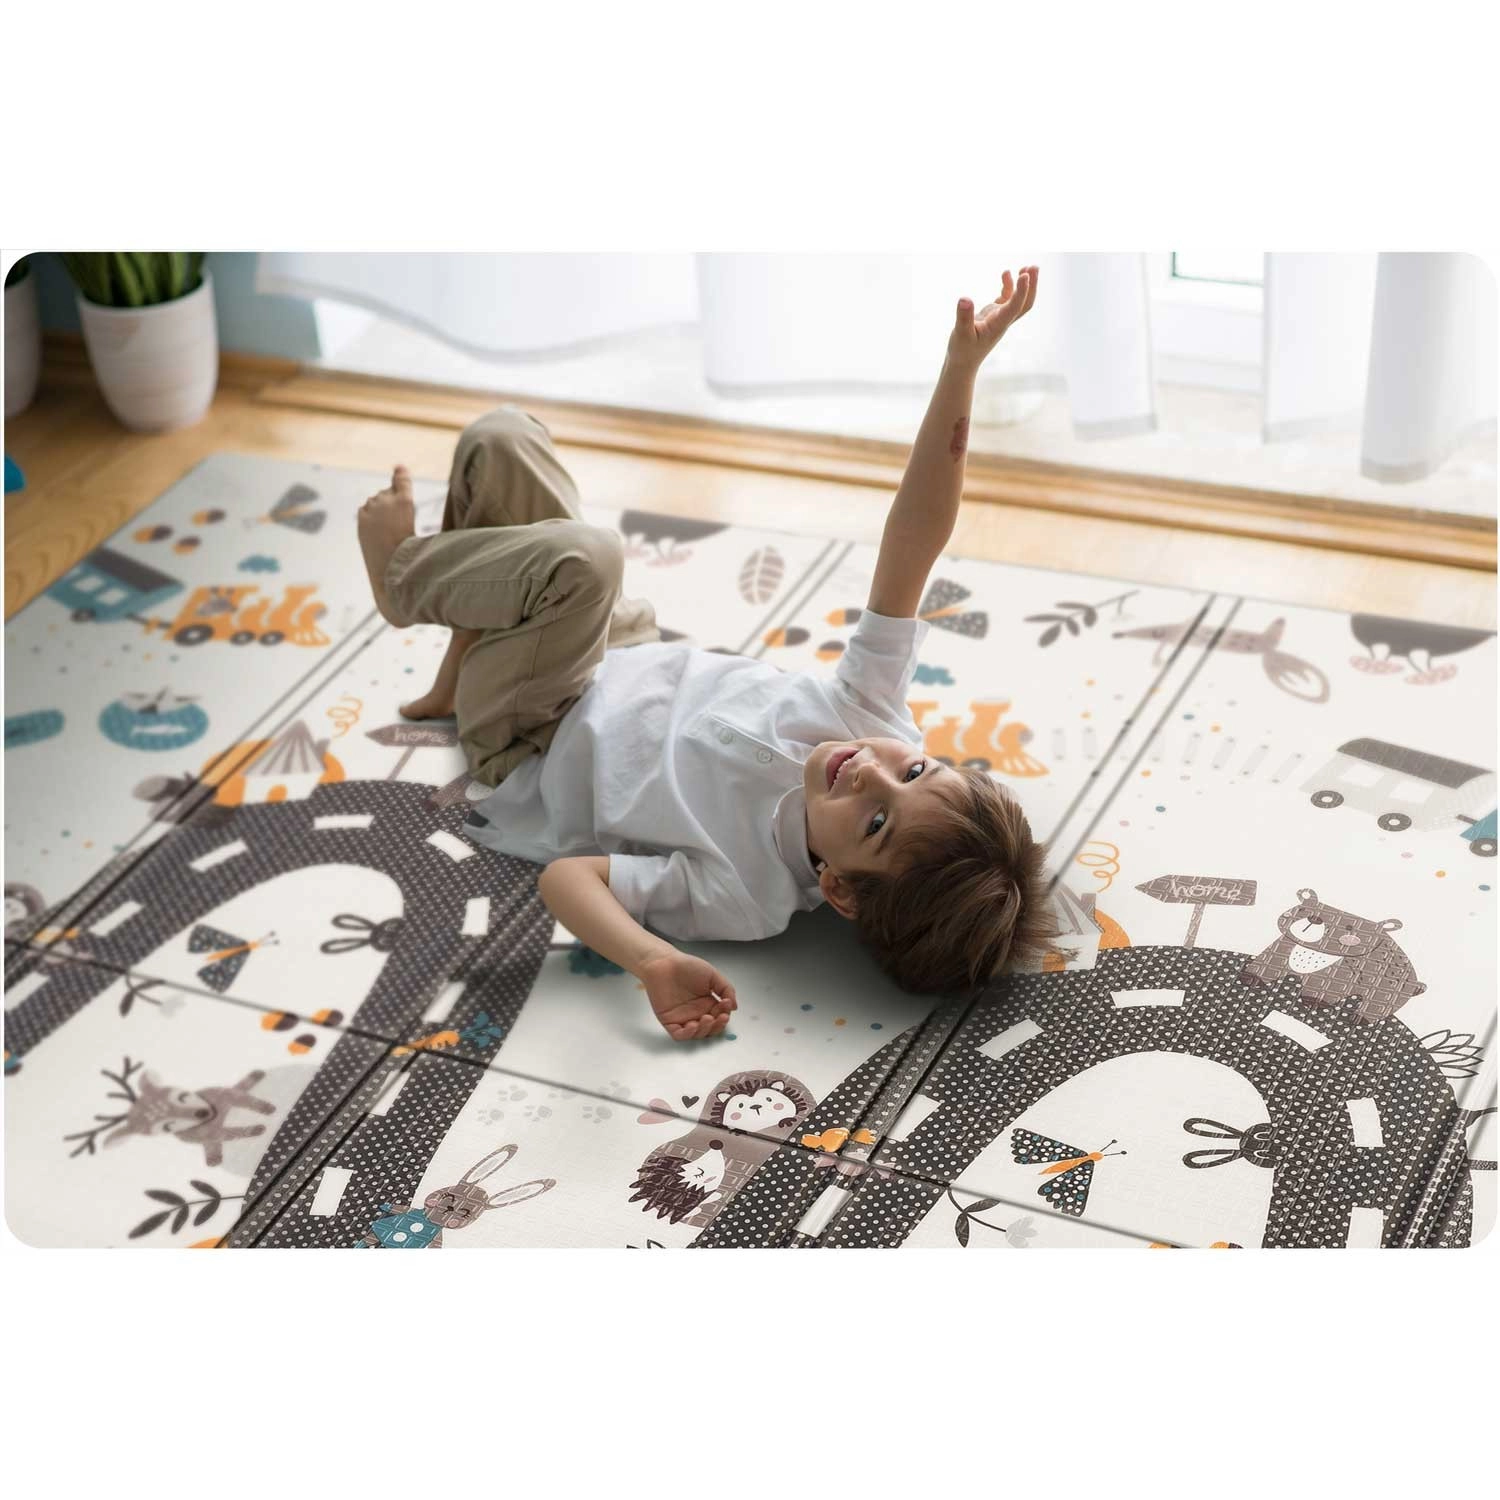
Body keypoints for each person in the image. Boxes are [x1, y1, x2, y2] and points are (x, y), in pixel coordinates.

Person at [357, 266, 1056, 1043]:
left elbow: (568, 879)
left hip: (532, 727)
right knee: (502, 438)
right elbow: (915, 541)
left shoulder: (745, 895)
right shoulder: (870, 714)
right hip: (615, 642)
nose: (871, 772)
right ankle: (463, 652)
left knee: (585, 560)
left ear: (841, 891)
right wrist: (962, 368)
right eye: (916, 770)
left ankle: (401, 584)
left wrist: (652, 960)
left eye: (876, 822)